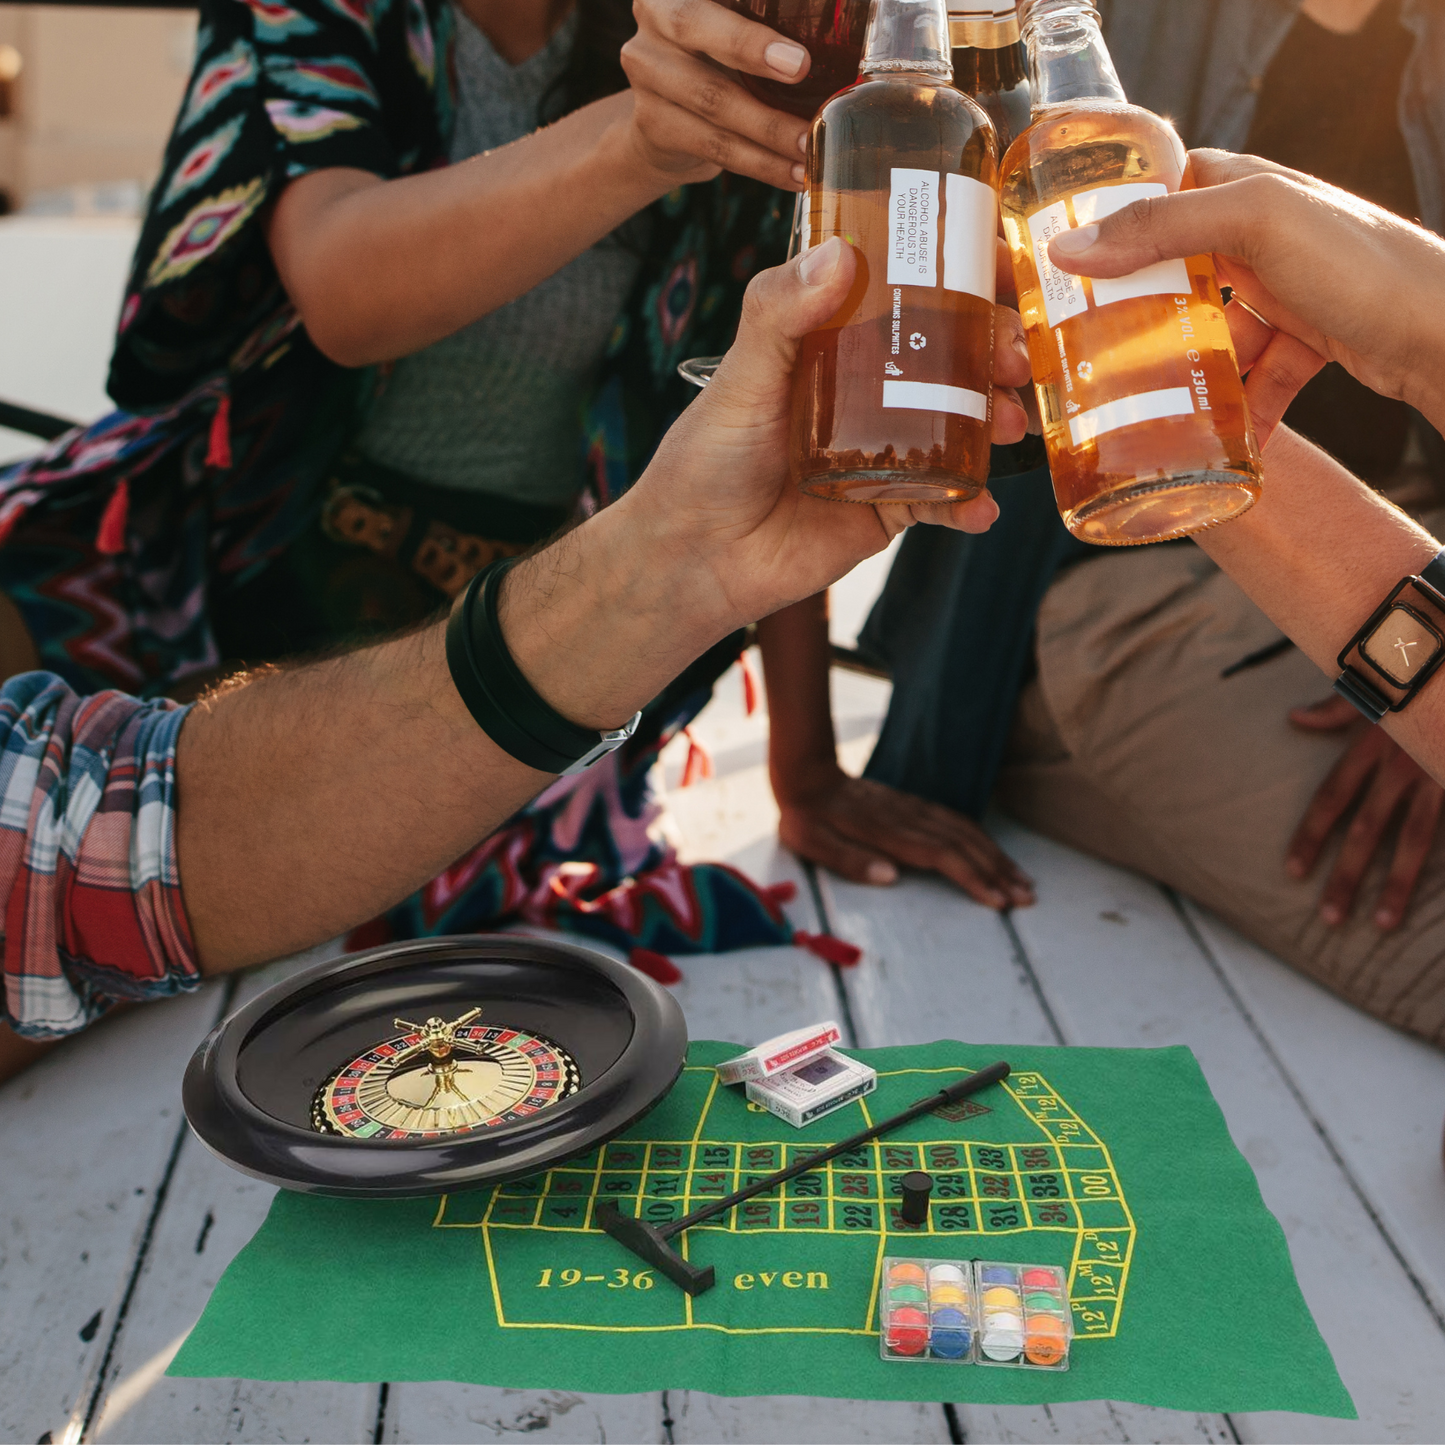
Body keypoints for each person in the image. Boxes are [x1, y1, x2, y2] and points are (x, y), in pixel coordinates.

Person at [0, 0, 1029, 985]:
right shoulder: (344, 14)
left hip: (502, 651)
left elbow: (774, 395)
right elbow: (341, 290)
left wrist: (802, 768)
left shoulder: (696, 34)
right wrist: (638, 136)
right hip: (178, 602)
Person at [0, 236, 1022, 1087]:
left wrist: (685, 588)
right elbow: (84, 862)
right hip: (216, 627)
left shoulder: (734, 81)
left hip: (496, 700)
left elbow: (94, 844)